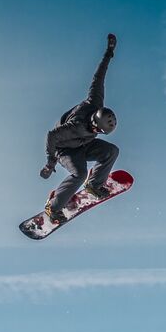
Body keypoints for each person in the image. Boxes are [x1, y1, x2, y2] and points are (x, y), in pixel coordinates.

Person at [41, 33, 119, 223]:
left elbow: (98, 78)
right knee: (79, 173)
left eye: (100, 133)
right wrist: (50, 163)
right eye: (97, 131)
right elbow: (51, 136)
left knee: (111, 151)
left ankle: (94, 185)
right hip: (65, 149)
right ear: (93, 124)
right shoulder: (75, 126)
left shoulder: (95, 101)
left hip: (83, 145)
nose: (97, 133)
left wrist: (109, 53)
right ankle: (54, 207)